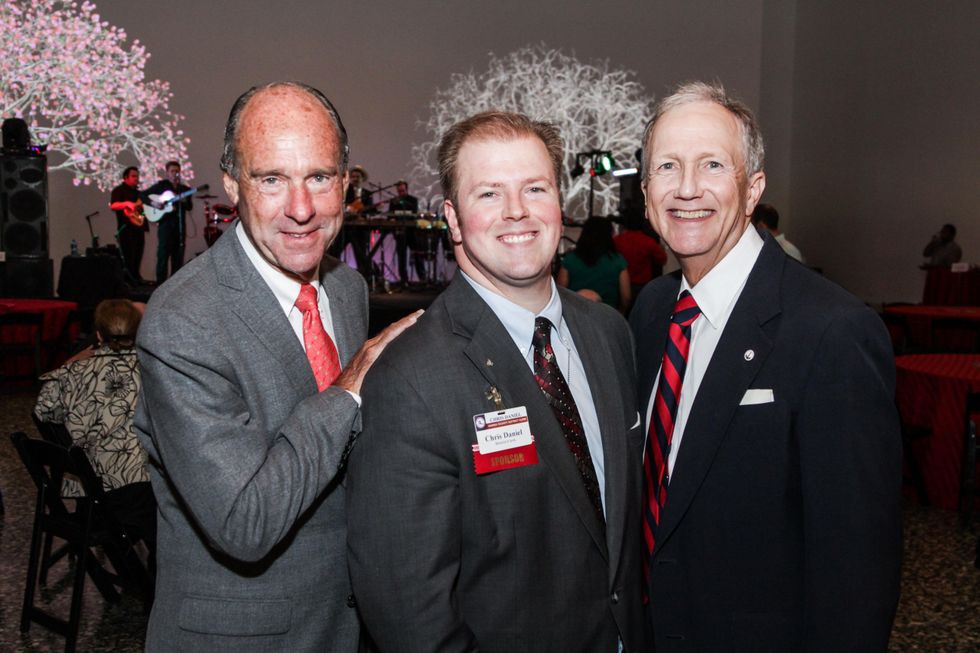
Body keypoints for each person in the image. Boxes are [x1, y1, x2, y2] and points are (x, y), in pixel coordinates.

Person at [133, 81, 419, 651]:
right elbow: (245, 521)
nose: (301, 208)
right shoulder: (182, 319)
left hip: (344, 626)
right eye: (272, 179)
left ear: (345, 181)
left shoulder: (346, 287)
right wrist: (352, 384)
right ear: (234, 186)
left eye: (319, 177)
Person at [348, 111, 647, 652]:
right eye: (489, 194)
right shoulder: (411, 377)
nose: (518, 211)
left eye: (535, 188)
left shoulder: (610, 335)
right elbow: (408, 610)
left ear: (560, 203)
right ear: (454, 219)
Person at [632, 81, 901, 652]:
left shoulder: (833, 331)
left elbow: (856, 569)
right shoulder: (653, 310)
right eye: (666, 167)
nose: (686, 189)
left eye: (711, 165)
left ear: (752, 189)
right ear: (646, 189)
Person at [34, 298, 156, 560]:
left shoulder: (72, 372)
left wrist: (73, 362)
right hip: (138, 494)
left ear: (98, 334)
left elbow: (43, 413)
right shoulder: (153, 371)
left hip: (88, 492)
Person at [558, 215, 631, 313]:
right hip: (607, 315)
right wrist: (619, 314)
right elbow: (626, 297)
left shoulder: (570, 259)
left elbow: (560, 292)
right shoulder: (618, 261)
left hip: (575, 315)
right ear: (609, 235)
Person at [144, 160, 193, 283]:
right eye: (172, 171)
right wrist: (154, 203)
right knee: (163, 256)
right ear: (167, 173)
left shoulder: (184, 189)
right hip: (165, 227)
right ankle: (160, 285)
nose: (175, 173)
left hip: (179, 228)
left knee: (178, 257)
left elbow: (189, 207)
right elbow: (143, 195)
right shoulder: (161, 186)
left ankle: (174, 286)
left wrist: (184, 201)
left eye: (177, 171)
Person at [614, 210, 668, 303]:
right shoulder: (648, 242)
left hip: (620, 285)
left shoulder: (617, 240)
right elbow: (662, 259)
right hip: (642, 286)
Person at [109, 166, 149, 282]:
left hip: (139, 227)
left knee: (138, 254)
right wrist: (126, 203)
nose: (136, 178)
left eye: (137, 176)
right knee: (128, 255)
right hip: (126, 228)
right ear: (125, 178)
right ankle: (129, 280)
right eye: (133, 176)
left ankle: (136, 277)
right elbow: (113, 205)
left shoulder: (139, 193)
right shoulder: (119, 190)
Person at [342, 164, 375, 276]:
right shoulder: (345, 191)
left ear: (362, 178)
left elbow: (371, 210)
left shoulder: (368, 193)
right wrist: (348, 209)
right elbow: (340, 204)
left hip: (361, 228)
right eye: (353, 176)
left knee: (361, 253)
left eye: (358, 176)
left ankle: (364, 277)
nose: (355, 179)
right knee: (335, 252)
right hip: (347, 226)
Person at [389, 179, 424, 284]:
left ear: (407, 189)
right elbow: (391, 215)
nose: (401, 193)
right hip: (400, 231)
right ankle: (404, 279)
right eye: (399, 191)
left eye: (403, 191)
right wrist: (392, 219)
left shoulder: (412, 200)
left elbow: (414, 214)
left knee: (417, 253)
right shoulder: (394, 201)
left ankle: (422, 277)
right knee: (401, 255)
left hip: (411, 231)